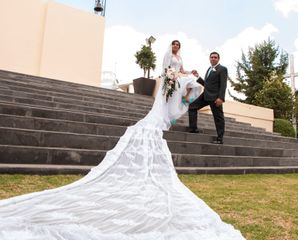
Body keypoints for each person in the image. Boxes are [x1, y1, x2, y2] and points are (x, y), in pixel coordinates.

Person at [0, 41, 245, 240]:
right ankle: (182, 123)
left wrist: (189, 75)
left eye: (178, 46)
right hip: (170, 81)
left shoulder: (214, 68)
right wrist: (173, 76)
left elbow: (202, 77)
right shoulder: (168, 59)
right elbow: (167, 71)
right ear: (170, 48)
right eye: (174, 45)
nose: (176, 48)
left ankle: (211, 131)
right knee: (182, 105)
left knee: (205, 106)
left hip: (211, 94)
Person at [188, 51, 228, 144]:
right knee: (192, 107)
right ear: (209, 58)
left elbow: (223, 85)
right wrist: (198, 77)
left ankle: (220, 139)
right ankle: (193, 128)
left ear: (218, 59)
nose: (213, 59)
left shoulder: (222, 69)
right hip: (205, 95)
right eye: (212, 57)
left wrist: (221, 98)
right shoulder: (209, 69)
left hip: (215, 98)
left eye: (215, 57)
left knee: (218, 118)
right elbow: (207, 84)